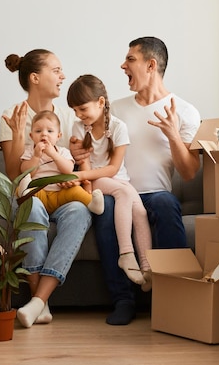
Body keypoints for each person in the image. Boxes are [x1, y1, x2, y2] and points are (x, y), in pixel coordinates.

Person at [70, 37, 201, 325]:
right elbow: (90, 147)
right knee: (103, 212)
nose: (122, 64)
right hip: (117, 190)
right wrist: (78, 151)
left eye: (130, 59)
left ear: (150, 65)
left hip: (156, 194)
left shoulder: (185, 111)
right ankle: (123, 301)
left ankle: (172, 297)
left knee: (167, 204)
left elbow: (190, 172)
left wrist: (173, 135)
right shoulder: (114, 109)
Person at [0, 49, 92, 328]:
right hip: (31, 192)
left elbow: (80, 163)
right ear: (35, 78)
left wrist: (74, 178)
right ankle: (42, 302)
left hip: (63, 194)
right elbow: (15, 174)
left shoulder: (68, 116)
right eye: (56, 70)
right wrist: (18, 136)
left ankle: (38, 300)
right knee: (32, 205)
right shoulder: (12, 115)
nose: (63, 76)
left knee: (79, 209)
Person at [66, 74, 152, 289]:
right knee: (123, 194)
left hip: (116, 179)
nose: (78, 115)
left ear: (101, 102)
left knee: (140, 212)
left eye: (82, 109)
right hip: (96, 183)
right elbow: (85, 165)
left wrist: (80, 176)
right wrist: (84, 177)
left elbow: (114, 168)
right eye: (75, 110)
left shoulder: (118, 127)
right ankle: (126, 253)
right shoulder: (79, 128)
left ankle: (147, 269)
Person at [20, 109, 104, 215]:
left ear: (58, 136)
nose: (44, 134)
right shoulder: (30, 151)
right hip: (38, 193)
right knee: (25, 187)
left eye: (50, 131)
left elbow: (68, 170)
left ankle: (92, 203)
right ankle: (24, 194)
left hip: (59, 194)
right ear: (31, 136)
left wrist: (54, 155)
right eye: (38, 131)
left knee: (76, 191)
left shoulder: (63, 152)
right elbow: (26, 172)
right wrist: (36, 156)